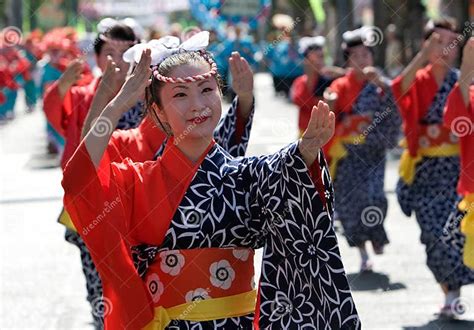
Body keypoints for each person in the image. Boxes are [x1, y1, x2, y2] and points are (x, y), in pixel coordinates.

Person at [62, 32, 360, 329]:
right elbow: (80, 181)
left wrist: (304, 153)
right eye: (180, 94)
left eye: (206, 90)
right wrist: (117, 104)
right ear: (158, 112)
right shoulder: (137, 181)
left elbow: (284, 177)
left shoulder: (247, 175)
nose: (197, 104)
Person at [392, 18, 474, 317]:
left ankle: (452, 294)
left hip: (456, 169)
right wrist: (422, 56)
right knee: (432, 234)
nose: (446, 47)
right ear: (427, 43)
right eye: (438, 41)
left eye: (452, 41)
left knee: (455, 232)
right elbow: (398, 89)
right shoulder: (420, 78)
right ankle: (449, 288)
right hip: (426, 170)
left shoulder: (460, 78)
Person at [324, 27, 401, 272]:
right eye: (356, 56)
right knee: (350, 203)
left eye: (366, 55)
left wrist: (383, 85)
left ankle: (376, 235)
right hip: (348, 154)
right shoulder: (340, 85)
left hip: (373, 152)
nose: (362, 60)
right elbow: (330, 105)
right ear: (348, 61)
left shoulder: (380, 84)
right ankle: (362, 251)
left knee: (375, 196)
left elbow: (397, 101)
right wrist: (331, 103)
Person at [442, 36, 474, 312]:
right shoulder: (471, 97)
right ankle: (452, 292)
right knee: (450, 241)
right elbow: (457, 114)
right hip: (471, 195)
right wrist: (466, 65)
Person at [291, 36, 342, 135]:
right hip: (304, 133)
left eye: (322, 56)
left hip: (326, 134)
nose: (319, 61)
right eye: (315, 58)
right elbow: (298, 101)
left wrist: (339, 72)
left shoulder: (331, 80)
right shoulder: (300, 82)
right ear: (306, 60)